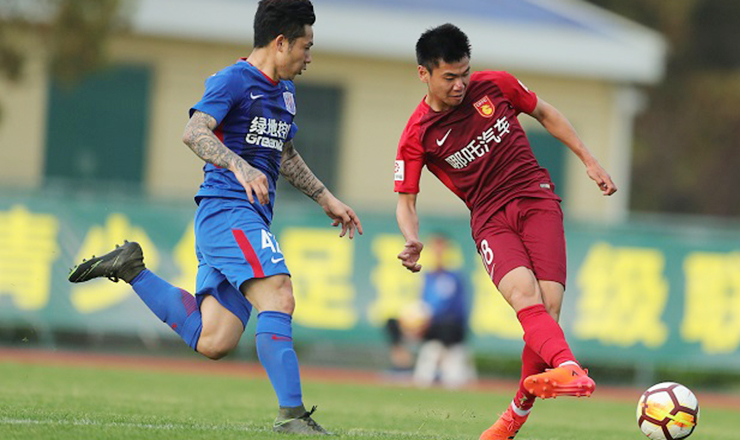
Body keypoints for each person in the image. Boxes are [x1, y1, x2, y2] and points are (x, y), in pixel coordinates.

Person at [68, 0, 361, 435]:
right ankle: (292, 416)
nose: (309, 57)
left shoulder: (285, 92)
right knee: (279, 294)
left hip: (244, 217)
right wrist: (239, 166)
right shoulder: (232, 80)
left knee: (215, 340)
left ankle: (132, 268)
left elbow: (284, 153)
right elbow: (195, 131)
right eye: (306, 46)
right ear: (281, 42)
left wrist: (325, 197)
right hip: (227, 211)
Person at [393, 24, 617, 440]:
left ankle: (514, 416)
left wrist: (589, 159)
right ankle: (569, 368)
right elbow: (406, 199)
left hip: (537, 198)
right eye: (449, 77)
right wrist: (412, 237)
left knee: (548, 310)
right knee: (524, 298)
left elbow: (546, 113)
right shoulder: (418, 134)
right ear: (423, 74)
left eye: (464, 73)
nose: (460, 84)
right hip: (490, 219)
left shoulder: (495, 85)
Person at [412, 232, 475, 389]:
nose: (438, 253)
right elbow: (424, 306)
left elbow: (451, 308)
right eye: (435, 249)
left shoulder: (453, 277)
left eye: (441, 249)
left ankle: (446, 370)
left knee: (444, 330)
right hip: (433, 327)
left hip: (451, 328)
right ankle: (402, 365)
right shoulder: (427, 277)